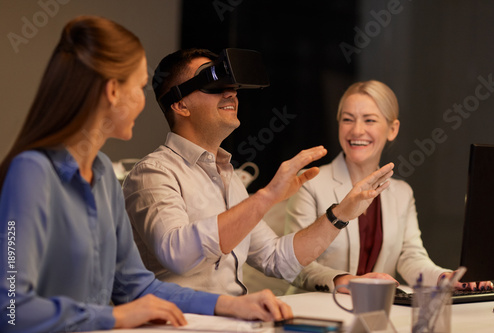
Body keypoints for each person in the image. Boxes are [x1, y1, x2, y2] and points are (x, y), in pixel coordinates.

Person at [0, 17, 295, 333]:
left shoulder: (101, 174)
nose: (145, 101)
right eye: (140, 87)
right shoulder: (32, 172)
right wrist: (114, 318)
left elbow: (136, 287)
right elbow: (11, 310)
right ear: (113, 91)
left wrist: (230, 305)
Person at [122, 48, 395, 296]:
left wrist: (341, 214)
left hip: (233, 322)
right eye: (214, 84)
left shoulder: (228, 177)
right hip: (183, 324)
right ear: (180, 105)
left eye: (232, 85)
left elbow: (276, 259)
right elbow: (177, 253)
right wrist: (266, 197)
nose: (231, 93)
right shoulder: (152, 174)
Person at [284, 80, 494, 293]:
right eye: (347, 119)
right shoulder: (310, 181)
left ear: (392, 129)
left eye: (369, 120)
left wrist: (444, 278)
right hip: (315, 311)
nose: (357, 130)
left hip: (377, 311)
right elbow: (295, 264)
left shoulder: (402, 193)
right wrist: (346, 281)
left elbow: (410, 256)